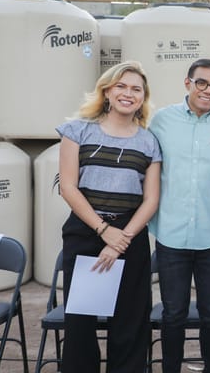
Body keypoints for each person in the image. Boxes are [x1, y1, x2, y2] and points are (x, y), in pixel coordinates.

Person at [57, 61, 161, 373]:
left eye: (136, 89)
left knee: (130, 322)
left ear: (143, 98)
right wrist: (103, 230)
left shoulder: (149, 141)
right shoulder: (77, 131)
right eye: (121, 86)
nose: (128, 94)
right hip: (86, 231)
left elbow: (151, 199)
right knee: (81, 324)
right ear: (107, 91)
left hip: (129, 235)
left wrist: (119, 240)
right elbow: (68, 187)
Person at [149, 58, 210, 373]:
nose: (208, 90)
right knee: (173, 312)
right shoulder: (161, 121)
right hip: (170, 235)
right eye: (202, 82)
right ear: (187, 82)